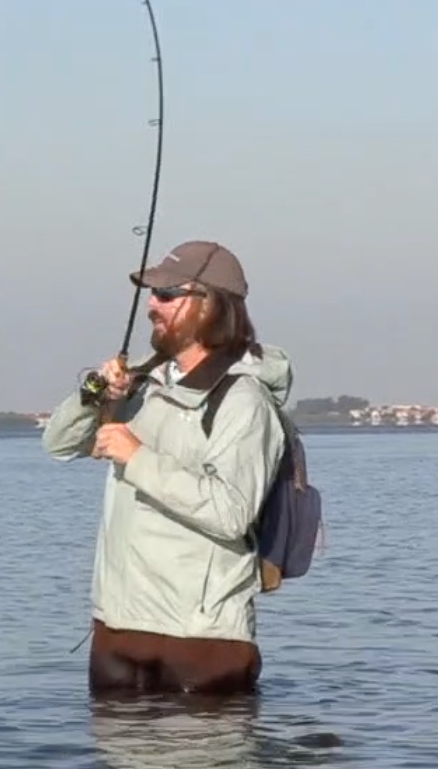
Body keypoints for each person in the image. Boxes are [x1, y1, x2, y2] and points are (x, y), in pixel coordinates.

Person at [42, 240, 294, 696]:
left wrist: (137, 457)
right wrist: (98, 394)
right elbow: (57, 444)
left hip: (202, 640)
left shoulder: (244, 400)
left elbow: (231, 511)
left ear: (211, 306)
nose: (151, 307)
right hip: (117, 631)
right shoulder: (142, 383)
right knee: (124, 768)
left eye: (166, 295)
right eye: (151, 295)